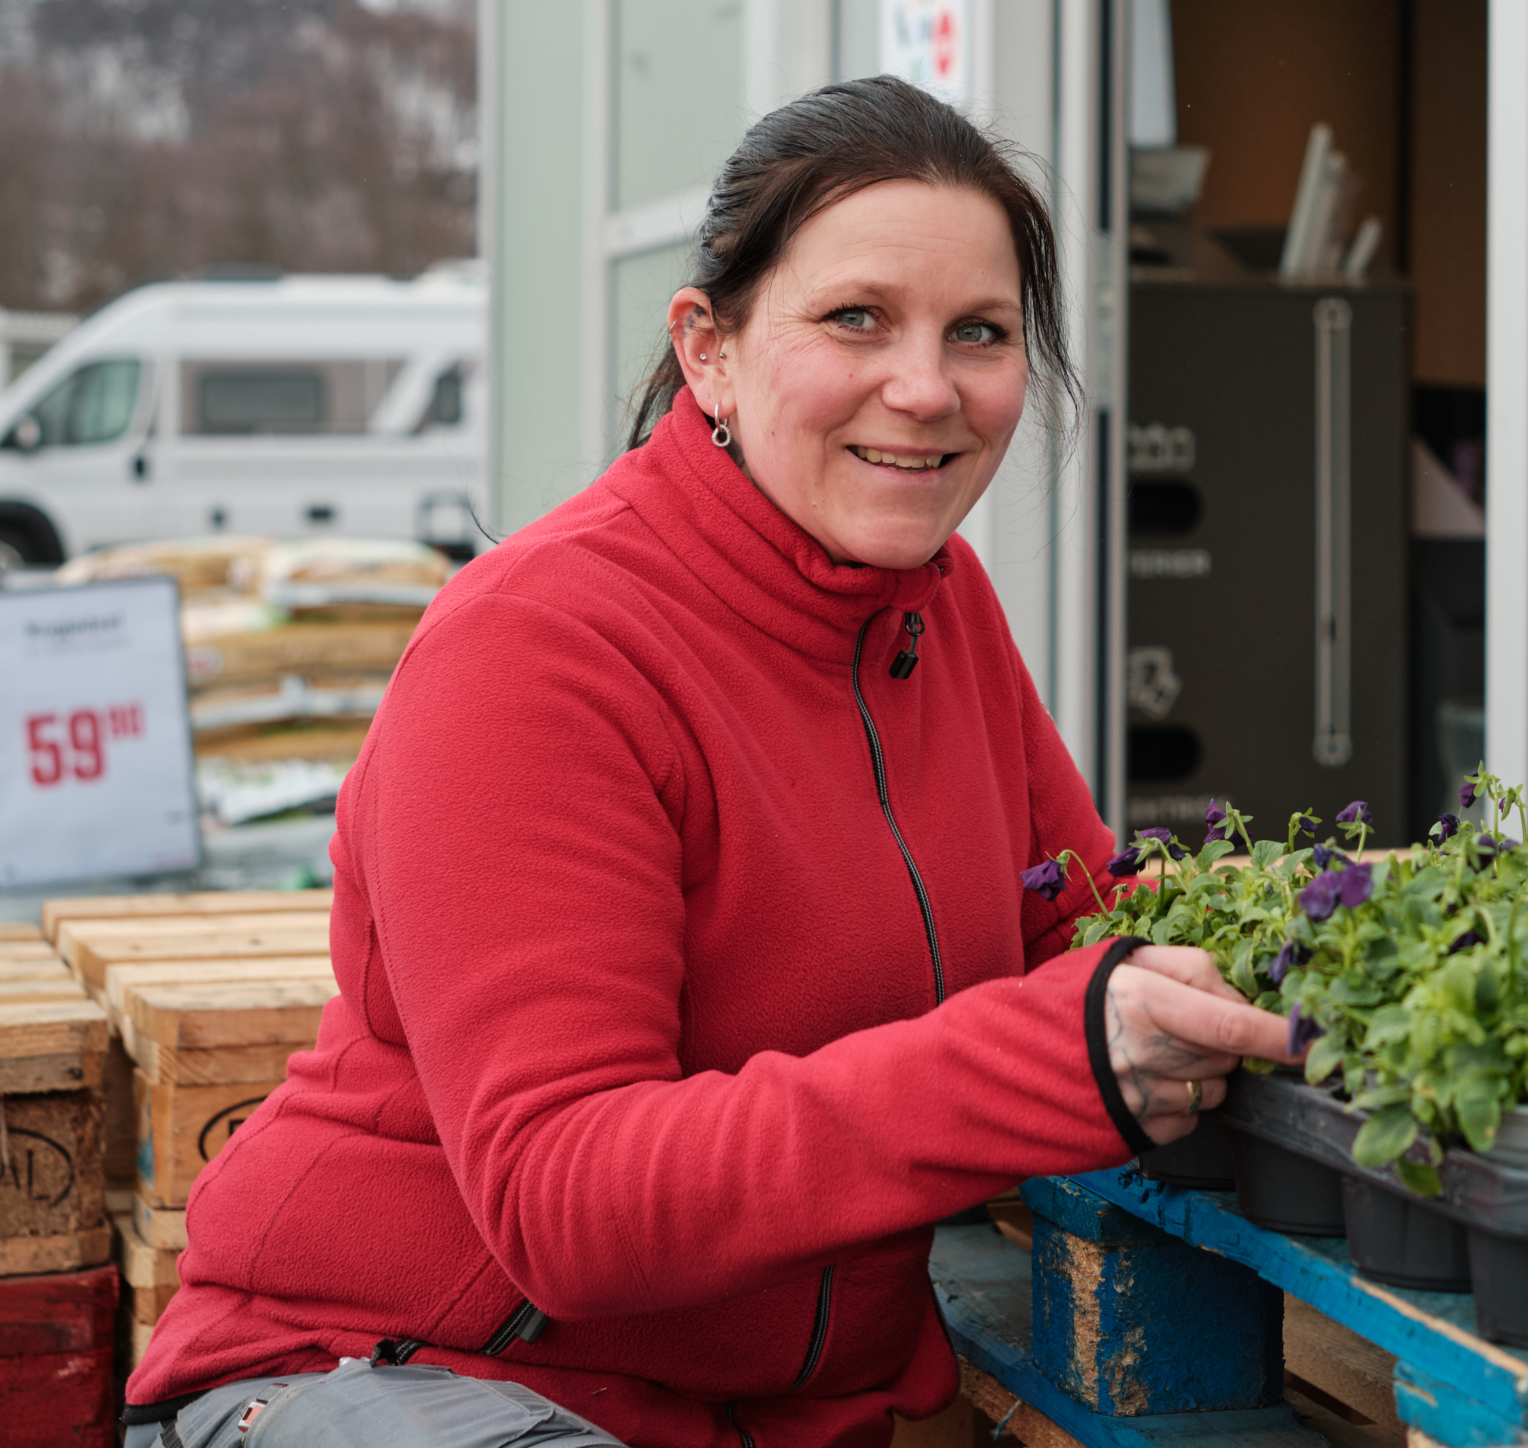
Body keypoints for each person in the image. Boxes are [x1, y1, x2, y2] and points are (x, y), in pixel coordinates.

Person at [121, 79, 1294, 1448]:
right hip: (402, 1382)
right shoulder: (538, 648)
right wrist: (1049, 1051)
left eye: (978, 332)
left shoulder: (938, 606)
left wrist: (1310, 947)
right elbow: (567, 1201)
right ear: (712, 350)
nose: (925, 388)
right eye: (856, 318)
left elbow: (1083, 929)